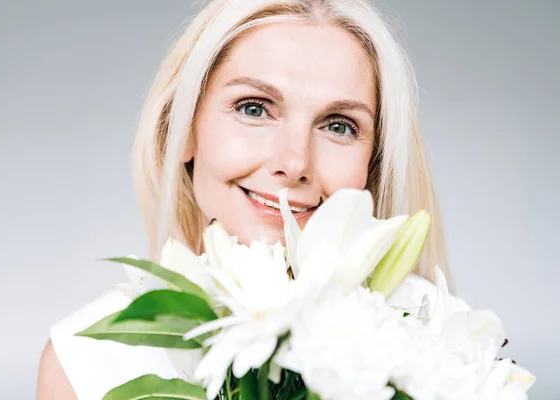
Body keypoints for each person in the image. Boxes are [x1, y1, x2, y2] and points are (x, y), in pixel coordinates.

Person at [37, 0, 469, 398]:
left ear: (373, 163)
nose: (294, 161)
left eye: (338, 126)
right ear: (184, 130)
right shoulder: (84, 362)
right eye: (254, 108)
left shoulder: (444, 347)